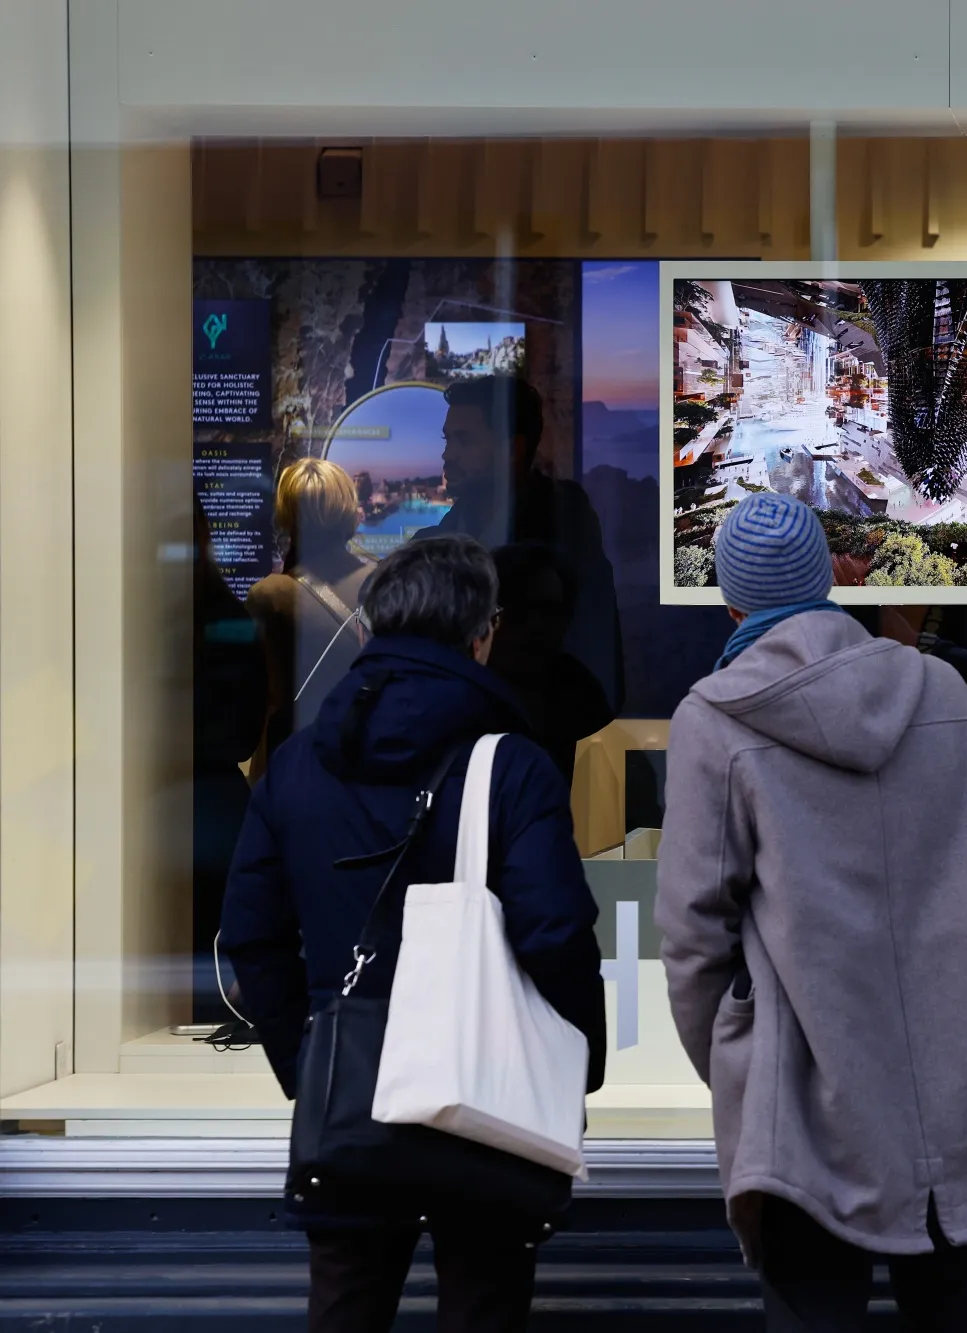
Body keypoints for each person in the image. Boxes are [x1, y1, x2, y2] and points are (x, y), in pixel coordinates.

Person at [655, 492, 967, 1332]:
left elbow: (694, 938)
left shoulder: (714, 718)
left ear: (731, 606)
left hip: (801, 1099)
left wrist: (739, 1061)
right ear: (832, 581)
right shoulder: (940, 686)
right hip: (954, 1086)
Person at [220, 534, 607, 1333]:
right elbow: (557, 931)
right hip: (485, 1093)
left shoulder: (296, 763)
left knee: (345, 1305)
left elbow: (251, 937)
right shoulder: (512, 766)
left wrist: (308, 1063)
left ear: (366, 630)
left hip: (349, 1095)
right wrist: (579, 1061)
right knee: (483, 1305)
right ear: (484, 634)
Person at [417, 373, 624, 716]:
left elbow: (593, 668)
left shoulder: (561, 523)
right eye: (448, 439)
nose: (448, 455)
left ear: (512, 449)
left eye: (464, 441)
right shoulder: (442, 538)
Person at [246, 458, 373, 773]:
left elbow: (259, 697)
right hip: (367, 756)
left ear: (288, 515)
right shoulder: (386, 582)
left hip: (294, 763)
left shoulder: (271, 595)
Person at [192, 506, 268, 1024]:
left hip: (194, 800)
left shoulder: (135, 621)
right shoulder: (232, 616)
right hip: (217, 800)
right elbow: (242, 735)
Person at [487, 542, 615, 787]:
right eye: (522, 610)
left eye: (549, 611)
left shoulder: (577, 688)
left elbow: (615, 781)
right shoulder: (465, 690)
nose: (536, 626)